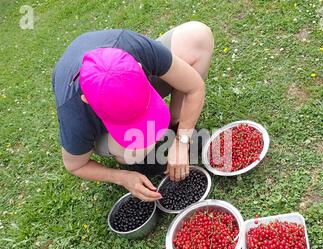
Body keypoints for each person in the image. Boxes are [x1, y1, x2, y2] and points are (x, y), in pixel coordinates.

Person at [52, 21, 214, 202]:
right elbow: (75, 165)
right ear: (87, 100)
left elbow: (194, 87)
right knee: (140, 144)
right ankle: (130, 157)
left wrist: (182, 141)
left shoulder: (134, 47)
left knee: (199, 35)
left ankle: (175, 122)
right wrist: (123, 178)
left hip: (131, 70)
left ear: (138, 66)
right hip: (101, 127)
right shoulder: (74, 109)